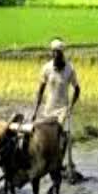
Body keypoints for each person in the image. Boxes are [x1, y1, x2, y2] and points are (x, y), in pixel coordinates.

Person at [33, 38, 82, 182]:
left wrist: (71, 107)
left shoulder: (69, 69)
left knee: (62, 135)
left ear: (62, 53)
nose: (55, 55)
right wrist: (36, 109)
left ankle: (59, 162)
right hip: (49, 108)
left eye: (58, 53)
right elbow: (41, 88)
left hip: (62, 110)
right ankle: (48, 161)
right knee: (44, 136)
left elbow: (77, 89)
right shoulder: (47, 68)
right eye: (53, 52)